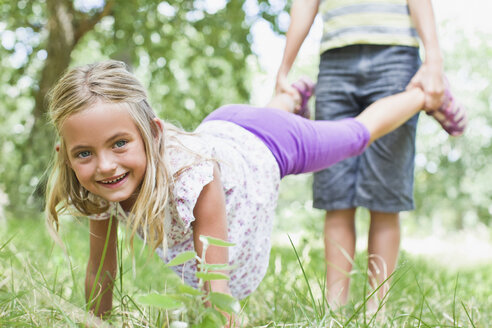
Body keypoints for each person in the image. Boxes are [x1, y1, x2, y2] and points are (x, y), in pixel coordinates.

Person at [44, 60, 460, 318]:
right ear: (65, 153)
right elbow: (101, 272)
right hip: (227, 130)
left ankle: (422, 94)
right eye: (84, 154)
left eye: (119, 144)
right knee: (265, 122)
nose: (105, 165)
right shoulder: (99, 184)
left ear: (152, 134)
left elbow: (217, 290)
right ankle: (287, 97)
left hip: (269, 144)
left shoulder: (194, 178)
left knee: (355, 136)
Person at [275, 0, 466, 308]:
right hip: (335, 61)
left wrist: (434, 60)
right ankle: (334, 310)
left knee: (385, 193)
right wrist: (283, 68)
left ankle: (377, 311)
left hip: (396, 55)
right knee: (335, 191)